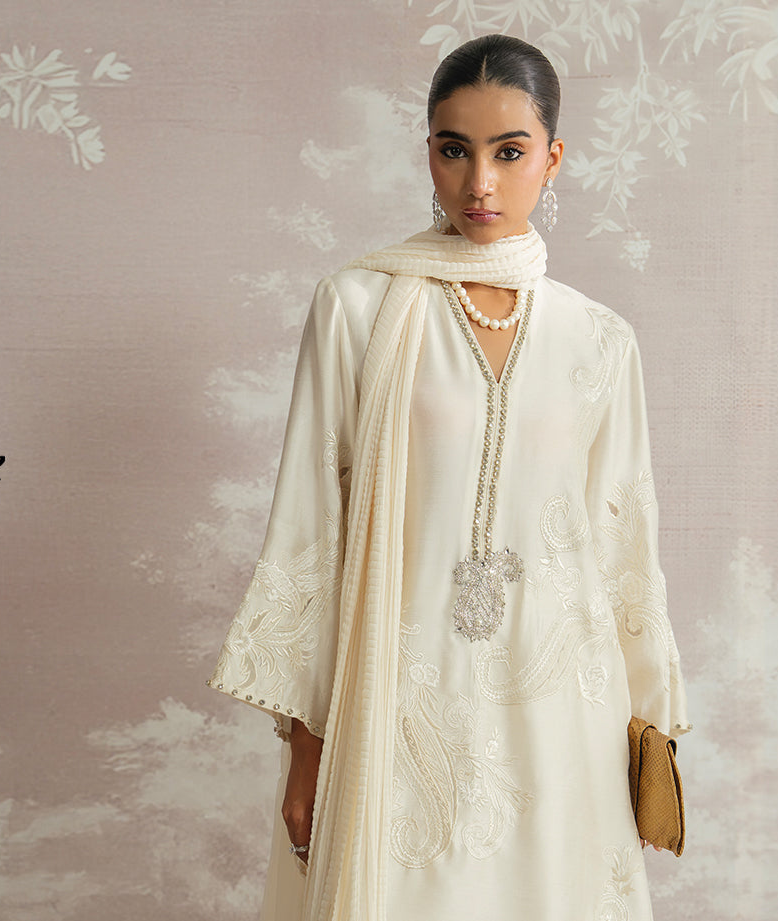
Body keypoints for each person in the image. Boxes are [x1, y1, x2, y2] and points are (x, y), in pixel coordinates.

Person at [206, 32, 691, 921]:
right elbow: (314, 530)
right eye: (454, 150)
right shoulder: (358, 308)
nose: (480, 183)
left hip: (562, 713)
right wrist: (306, 751)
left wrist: (650, 732)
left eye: (510, 152)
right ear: (427, 151)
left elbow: (624, 548)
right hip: (402, 700)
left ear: (553, 158)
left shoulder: (599, 339)